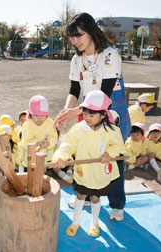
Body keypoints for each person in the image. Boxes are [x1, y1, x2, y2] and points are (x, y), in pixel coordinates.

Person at [53, 12, 131, 221]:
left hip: (109, 110)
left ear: (91, 31)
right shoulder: (77, 59)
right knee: (84, 155)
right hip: (86, 109)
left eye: (79, 35)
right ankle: (86, 196)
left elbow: (104, 95)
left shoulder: (110, 55)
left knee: (113, 159)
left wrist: (74, 112)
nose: (75, 41)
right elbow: (74, 89)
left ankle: (116, 205)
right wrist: (64, 112)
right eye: (71, 37)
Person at [53, 90, 125, 237]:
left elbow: (118, 146)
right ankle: (75, 221)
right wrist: (61, 157)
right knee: (80, 195)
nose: (87, 118)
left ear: (103, 115)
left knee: (95, 198)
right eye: (85, 114)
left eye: (91, 115)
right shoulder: (78, 129)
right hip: (83, 172)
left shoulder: (111, 130)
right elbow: (68, 145)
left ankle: (94, 222)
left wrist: (108, 153)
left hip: (99, 173)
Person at [19, 95, 58, 170]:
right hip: (31, 156)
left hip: (45, 156)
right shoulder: (27, 125)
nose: (40, 119)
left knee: (42, 172)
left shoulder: (49, 122)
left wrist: (48, 143)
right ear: (30, 114)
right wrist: (36, 144)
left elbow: (53, 136)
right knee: (32, 173)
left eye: (43, 115)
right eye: (36, 115)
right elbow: (25, 142)